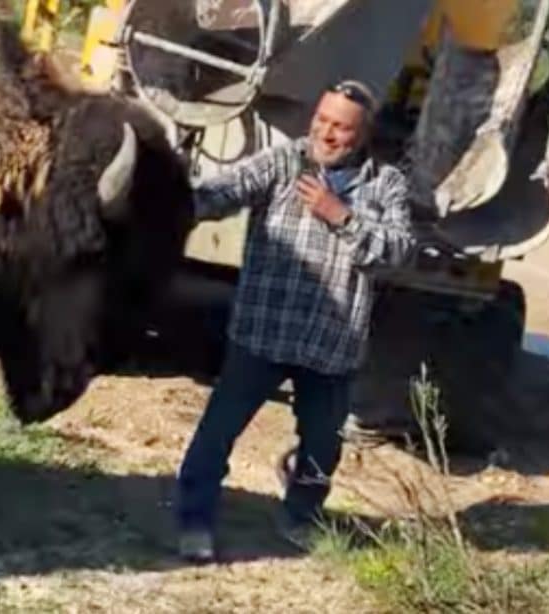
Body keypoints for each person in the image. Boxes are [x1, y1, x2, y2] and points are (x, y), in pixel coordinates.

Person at [175, 79, 413, 562]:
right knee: (217, 432)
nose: (326, 134)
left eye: (341, 128)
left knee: (322, 449)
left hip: (330, 346)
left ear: (362, 135)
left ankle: (300, 515)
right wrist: (171, 202)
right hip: (263, 334)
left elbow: (399, 252)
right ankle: (194, 519)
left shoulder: (387, 184)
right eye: (321, 121)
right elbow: (225, 190)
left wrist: (341, 216)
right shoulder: (285, 162)